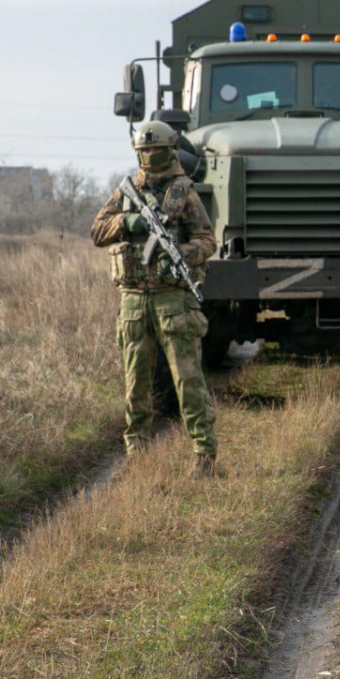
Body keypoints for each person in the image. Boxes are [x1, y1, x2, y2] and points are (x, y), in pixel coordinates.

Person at [90, 120, 219, 474]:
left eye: (155, 149)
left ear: (168, 150)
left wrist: (179, 254)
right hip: (133, 301)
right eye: (143, 150)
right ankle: (138, 457)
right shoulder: (127, 189)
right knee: (135, 385)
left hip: (173, 301)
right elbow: (97, 230)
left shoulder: (183, 192)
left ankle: (203, 455)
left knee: (188, 381)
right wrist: (127, 224)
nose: (149, 155)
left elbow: (208, 241)